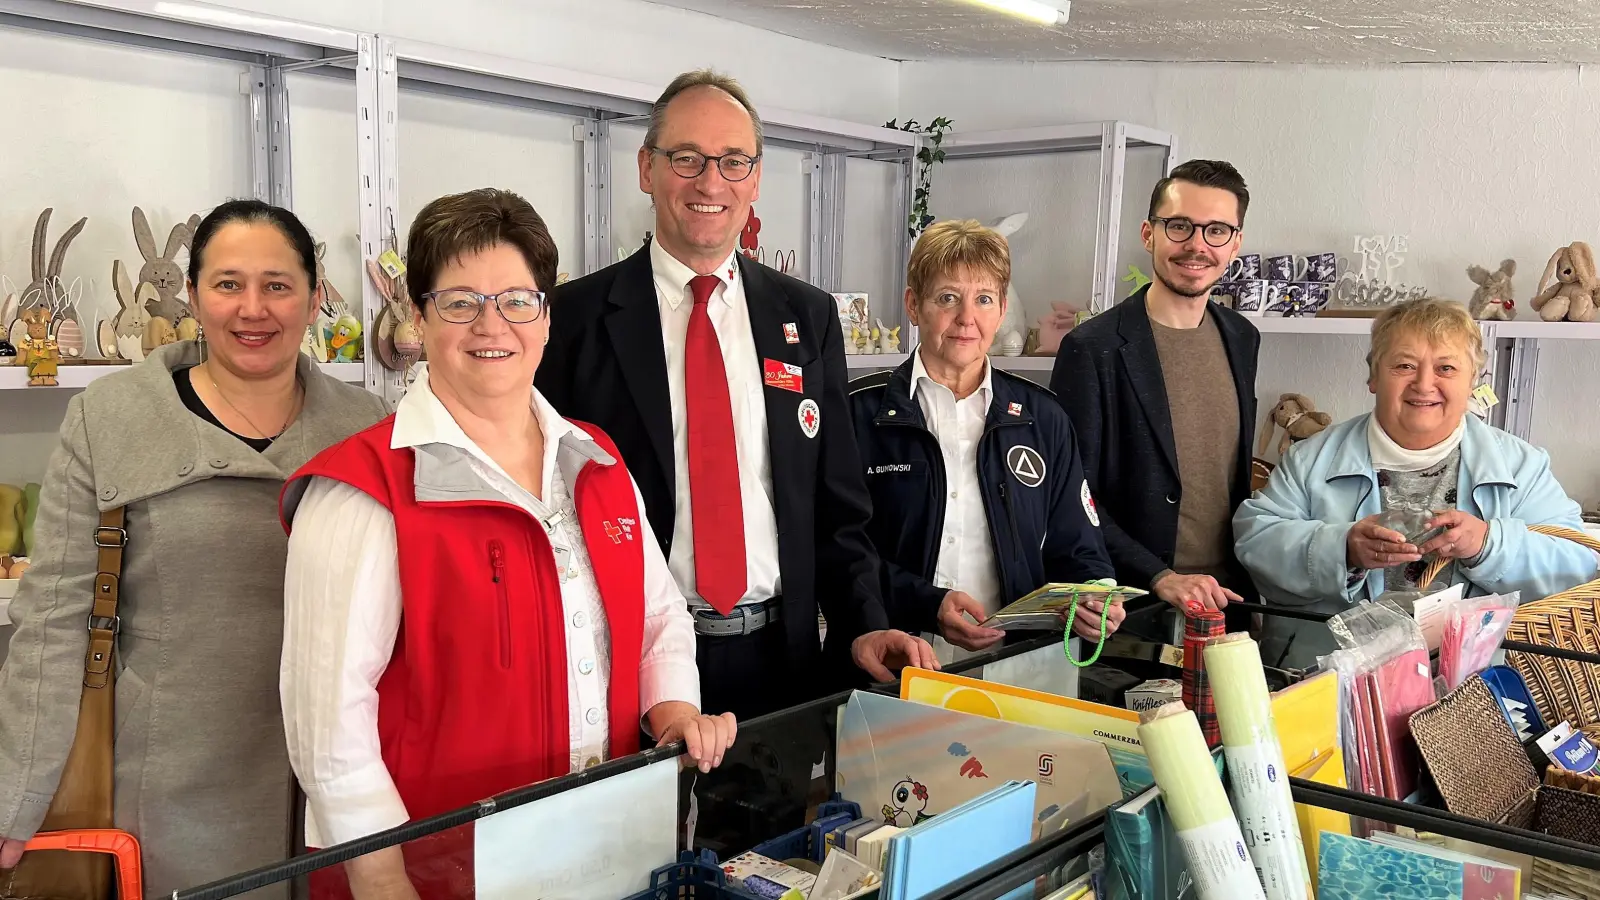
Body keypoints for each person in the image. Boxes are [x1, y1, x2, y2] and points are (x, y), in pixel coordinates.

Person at [280, 188, 734, 899]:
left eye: (518, 299)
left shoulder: (600, 464)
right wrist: (382, 882)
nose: (492, 324)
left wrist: (674, 711)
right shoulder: (362, 490)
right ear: (419, 318)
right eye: (459, 301)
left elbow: (657, 617)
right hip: (441, 874)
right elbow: (327, 720)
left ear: (547, 318)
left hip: (605, 850)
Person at [0, 200, 388, 899]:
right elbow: (54, 619)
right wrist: (17, 796)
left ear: (314, 296)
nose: (252, 309)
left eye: (277, 285)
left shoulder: (370, 428)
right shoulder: (112, 416)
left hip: (343, 792)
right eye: (228, 283)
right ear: (192, 293)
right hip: (171, 794)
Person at [539, 69, 935, 721]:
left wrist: (865, 619)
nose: (710, 183)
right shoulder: (574, 321)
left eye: (733, 162)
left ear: (755, 177)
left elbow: (837, 502)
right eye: (687, 158)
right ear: (647, 168)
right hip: (629, 666)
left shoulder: (806, 318)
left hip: (782, 664)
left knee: (779, 827)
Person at [1235, 297, 1597, 668]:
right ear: (1374, 376)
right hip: (1328, 683)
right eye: (1404, 365)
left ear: (1472, 380)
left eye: (1446, 368)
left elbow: (1577, 565)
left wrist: (1489, 545)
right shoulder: (1310, 459)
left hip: (1473, 695)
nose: (1424, 384)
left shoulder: (1521, 466)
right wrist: (1342, 549)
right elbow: (1255, 542)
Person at [848, 219, 1126, 665]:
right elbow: (839, 551)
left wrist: (1096, 599)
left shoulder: (1044, 418)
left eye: (983, 299)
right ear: (913, 305)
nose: (966, 319)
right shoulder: (858, 414)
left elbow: (1079, 546)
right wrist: (926, 603)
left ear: (1000, 311)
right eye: (947, 298)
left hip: (1015, 667)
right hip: (892, 664)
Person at [1050, 159, 1261, 622]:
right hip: (1135, 609)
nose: (1197, 246)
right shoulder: (1092, 348)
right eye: (1180, 226)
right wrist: (1158, 576)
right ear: (1149, 234)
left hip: (1229, 602)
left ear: (1236, 243)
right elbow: (1070, 495)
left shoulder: (1242, 338)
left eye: (1217, 231)